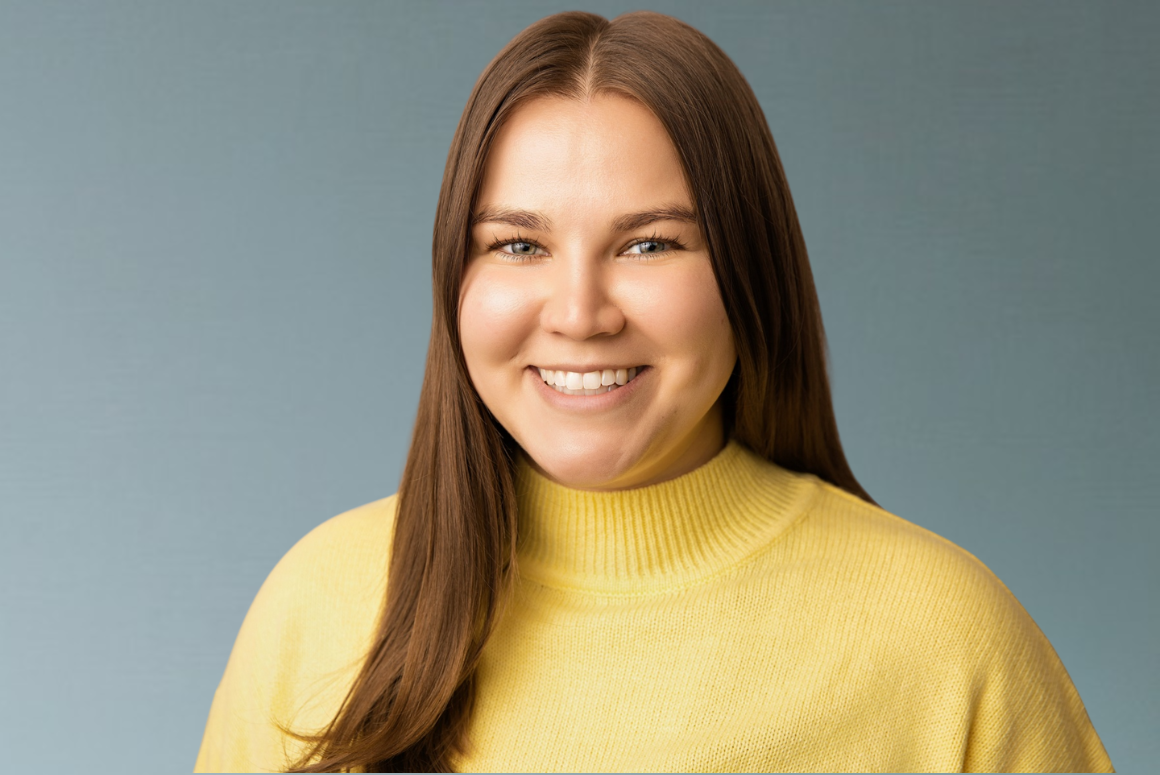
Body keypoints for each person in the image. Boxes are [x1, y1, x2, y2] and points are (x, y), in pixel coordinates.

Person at [194, 10, 1113, 773]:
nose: (579, 313)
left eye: (649, 244)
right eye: (518, 244)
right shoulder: (320, 605)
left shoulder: (946, 639)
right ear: (454, 279)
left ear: (747, 271)